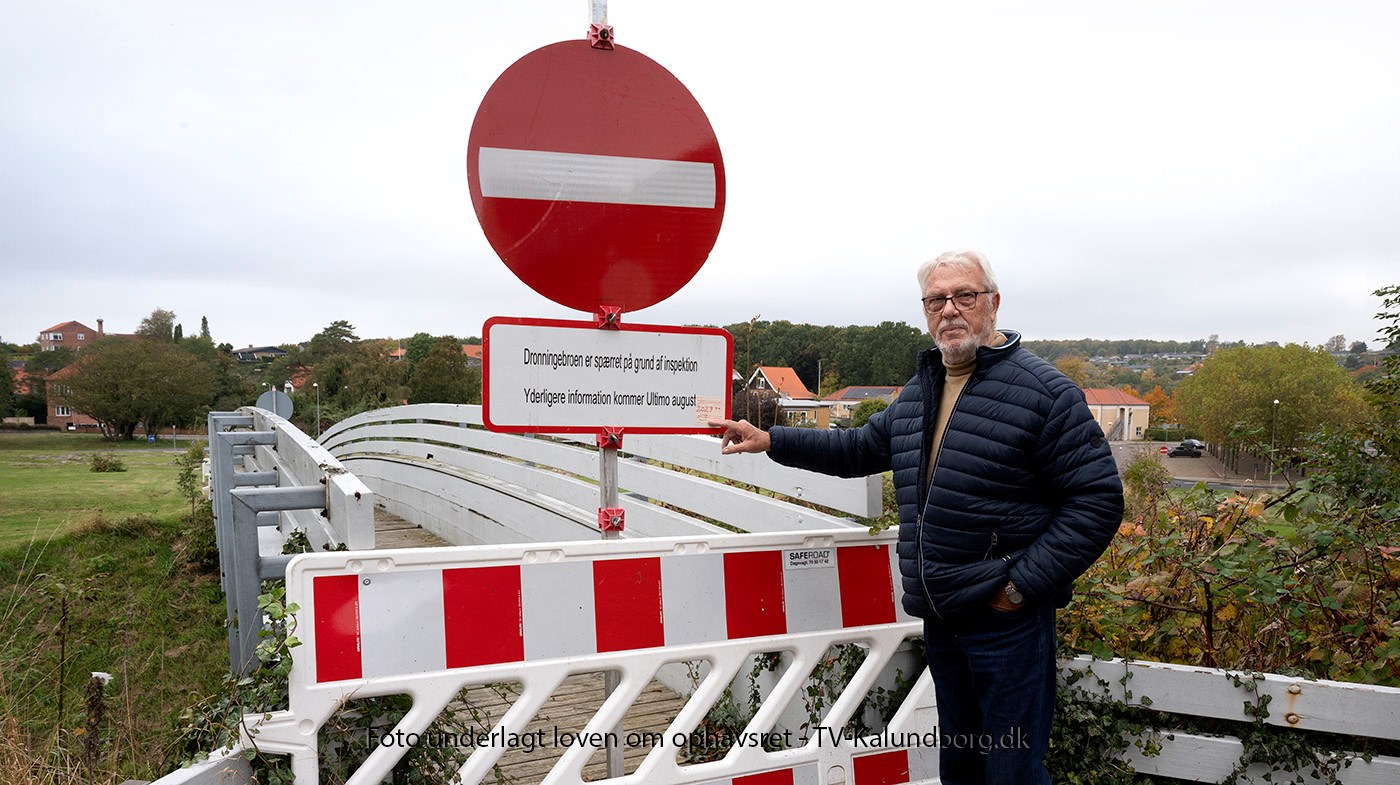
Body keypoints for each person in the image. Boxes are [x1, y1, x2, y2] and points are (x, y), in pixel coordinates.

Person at [710, 250, 1123, 785]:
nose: (950, 310)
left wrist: (1019, 587)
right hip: (943, 619)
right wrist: (771, 439)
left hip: (1007, 622)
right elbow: (857, 448)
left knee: (1013, 772)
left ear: (992, 305)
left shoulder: (1045, 393)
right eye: (936, 300)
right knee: (961, 767)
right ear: (925, 312)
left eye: (964, 296)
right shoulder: (919, 394)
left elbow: (1097, 502)